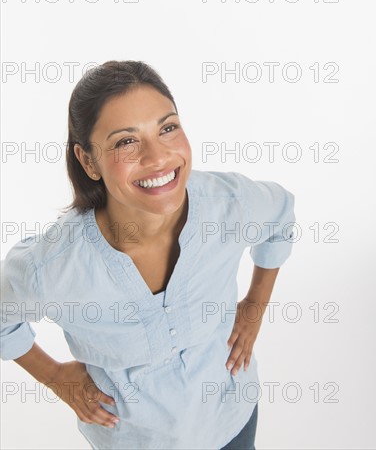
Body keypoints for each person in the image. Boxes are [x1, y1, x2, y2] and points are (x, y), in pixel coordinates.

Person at [0, 60, 296, 450]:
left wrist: (255, 305)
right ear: (88, 161)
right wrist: (55, 376)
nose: (158, 157)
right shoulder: (53, 267)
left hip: (232, 422)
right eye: (126, 141)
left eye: (168, 127)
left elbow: (279, 215)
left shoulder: (229, 206)